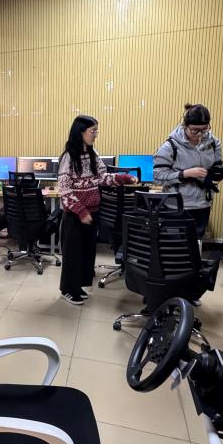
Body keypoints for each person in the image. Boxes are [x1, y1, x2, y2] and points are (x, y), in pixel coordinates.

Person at [58, 115, 134, 305]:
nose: (95, 135)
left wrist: (122, 178)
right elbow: (64, 190)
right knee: (73, 254)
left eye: (96, 131)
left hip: (92, 213)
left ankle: (79, 286)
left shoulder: (93, 154)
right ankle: (68, 290)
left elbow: (102, 178)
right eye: (93, 131)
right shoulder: (69, 157)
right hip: (75, 215)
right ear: (80, 132)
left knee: (86, 253)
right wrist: (81, 211)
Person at [153, 103, 223, 240]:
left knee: (196, 242)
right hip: (177, 205)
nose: (200, 134)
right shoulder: (171, 146)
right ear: (185, 125)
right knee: (177, 245)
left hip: (203, 204)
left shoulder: (214, 143)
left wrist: (218, 173)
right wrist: (184, 174)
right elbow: (157, 176)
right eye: (195, 130)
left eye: (204, 129)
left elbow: (216, 168)